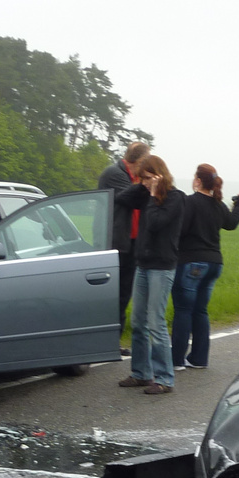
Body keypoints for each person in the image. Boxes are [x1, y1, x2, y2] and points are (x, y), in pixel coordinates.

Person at [115, 155, 184, 394]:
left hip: (162, 267)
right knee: (138, 322)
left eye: (146, 178)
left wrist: (154, 194)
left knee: (156, 322)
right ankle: (141, 373)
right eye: (140, 178)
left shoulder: (175, 199)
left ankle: (165, 378)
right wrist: (143, 188)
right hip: (142, 264)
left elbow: (155, 223)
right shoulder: (145, 194)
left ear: (158, 174)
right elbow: (122, 198)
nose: (143, 182)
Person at [173, 164, 239, 369]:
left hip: (192, 263)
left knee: (183, 310)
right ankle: (198, 358)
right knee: (200, 310)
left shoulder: (189, 202)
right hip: (215, 263)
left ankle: (176, 359)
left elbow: (181, 230)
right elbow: (231, 223)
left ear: (197, 181)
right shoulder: (218, 204)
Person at [98, 141, 151, 351]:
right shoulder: (114, 173)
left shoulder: (136, 176)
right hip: (116, 242)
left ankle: (113, 341)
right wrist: (148, 186)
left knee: (124, 293)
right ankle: (105, 341)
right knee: (111, 294)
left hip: (133, 242)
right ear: (138, 161)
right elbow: (129, 199)